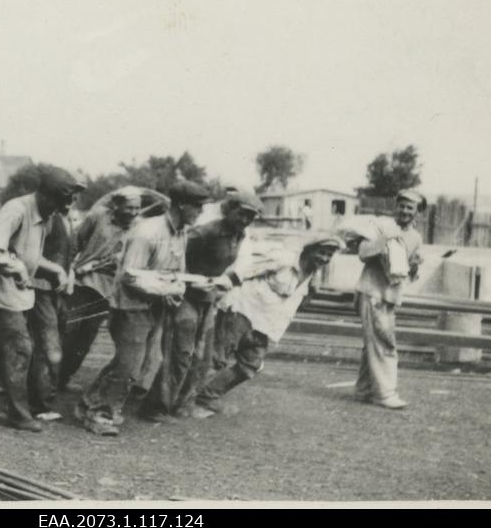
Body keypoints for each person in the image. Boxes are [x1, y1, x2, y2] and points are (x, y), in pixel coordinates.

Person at [0, 166, 81, 432]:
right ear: (44, 195)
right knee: (21, 348)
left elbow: (30, 256)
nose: (59, 209)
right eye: (57, 202)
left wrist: (53, 269)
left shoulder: (47, 216)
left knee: (1, 351)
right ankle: (19, 414)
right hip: (0, 292)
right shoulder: (16, 210)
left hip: (20, 293)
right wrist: (17, 268)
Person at [76, 181, 210, 436]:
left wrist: (176, 288)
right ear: (182, 205)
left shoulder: (179, 231)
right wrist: (166, 290)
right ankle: (100, 414)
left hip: (154, 307)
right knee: (130, 365)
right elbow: (130, 276)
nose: (201, 213)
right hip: (130, 306)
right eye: (198, 207)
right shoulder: (147, 232)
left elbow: (175, 272)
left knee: (130, 362)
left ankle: (88, 403)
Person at [138, 190, 264, 421]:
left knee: (201, 357)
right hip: (184, 296)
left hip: (208, 299)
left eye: (251, 217)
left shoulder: (240, 236)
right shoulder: (206, 232)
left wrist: (220, 284)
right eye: (242, 214)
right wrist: (184, 282)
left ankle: (180, 403)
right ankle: (155, 406)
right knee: (180, 352)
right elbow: (173, 258)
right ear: (229, 209)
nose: (245, 220)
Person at [195, 235, 343, 414]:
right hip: (242, 309)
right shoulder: (284, 259)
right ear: (309, 249)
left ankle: (207, 395)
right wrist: (220, 285)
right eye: (321, 253)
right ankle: (188, 400)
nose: (324, 259)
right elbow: (246, 269)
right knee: (217, 358)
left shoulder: (312, 277)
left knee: (250, 365)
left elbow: (297, 304)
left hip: (265, 324)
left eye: (329, 255)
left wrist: (312, 290)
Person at [58, 186, 143, 391]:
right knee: (65, 333)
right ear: (116, 205)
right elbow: (74, 244)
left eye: (136, 208)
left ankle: (63, 378)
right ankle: (44, 380)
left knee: (85, 339)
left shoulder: (138, 227)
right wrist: (66, 271)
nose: (132, 213)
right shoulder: (97, 217)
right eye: (128, 208)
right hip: (82, 283)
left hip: (108, 290)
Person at [353, 190, 424, 409]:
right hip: (372, 291)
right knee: (384, 343)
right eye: (401, 206)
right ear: (396, 206)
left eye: (409, 208)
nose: (404, 211)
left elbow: (410, 272)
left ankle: (364, 389)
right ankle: (384, 394)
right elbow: (363, 252)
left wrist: (414, 266)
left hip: (390, 296)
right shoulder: (382, 225)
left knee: (373, 342)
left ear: (417, 212)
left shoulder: (416, 237)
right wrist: (383, 243)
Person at [26, 178, 86, 421]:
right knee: (48, 347)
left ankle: (39, 394)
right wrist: (56, 271)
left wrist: (69, 275)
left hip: (59, 291)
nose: (73, 199)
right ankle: (39, 405)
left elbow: (69, 254)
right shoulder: (46, 218)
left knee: (51, 343)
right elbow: (30, 255)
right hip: (39, 288)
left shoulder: (68, 218)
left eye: (76, 194)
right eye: (70, 193)